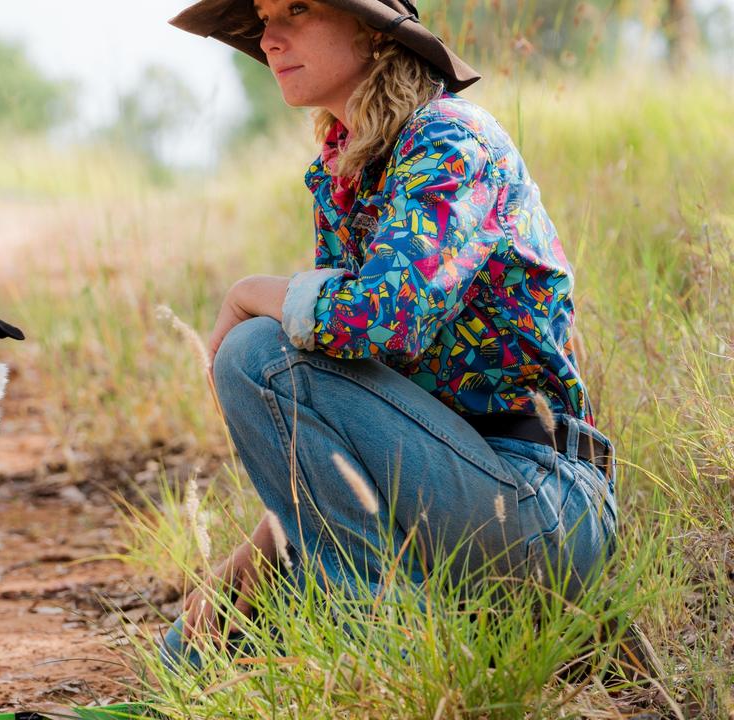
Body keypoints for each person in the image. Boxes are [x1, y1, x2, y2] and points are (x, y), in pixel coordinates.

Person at [161, 0, 618, 667]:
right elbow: (334, 418)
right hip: (443, 496)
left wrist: (250, 293)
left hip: (536, 503)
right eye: (263, 16)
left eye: (296, 9)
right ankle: (383, 632)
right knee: (186, 657)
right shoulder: (348, 173)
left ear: (374, 32)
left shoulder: (450, 137)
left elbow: (384, 318)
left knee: (256, 351)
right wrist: (238, 576)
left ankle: (382, 654)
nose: (268, 36)